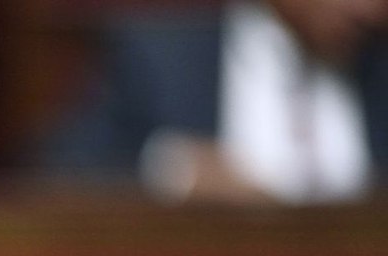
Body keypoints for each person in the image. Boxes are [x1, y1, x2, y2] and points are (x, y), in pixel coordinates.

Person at [37, 0, 388, 205]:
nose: (369, 10)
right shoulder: (162, 54)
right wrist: (175, 172)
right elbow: (53, 173)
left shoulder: (379, 65)